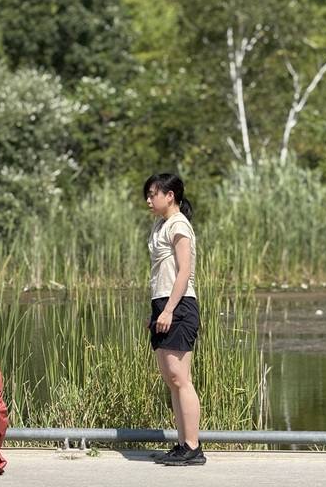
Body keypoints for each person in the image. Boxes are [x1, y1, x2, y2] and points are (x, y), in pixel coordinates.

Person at [143, 173, 205, 466]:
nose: (148, 200)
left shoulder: (179, 224)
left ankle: (193, 446)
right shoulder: (161, 225)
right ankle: (182, 445)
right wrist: (155, 312)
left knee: (182, 379)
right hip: (164, 304)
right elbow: (161, 273)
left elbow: (183, 272)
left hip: (179, 306)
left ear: (170, 195)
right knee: (171, 379)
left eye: (153, 194)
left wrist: (168, 310)